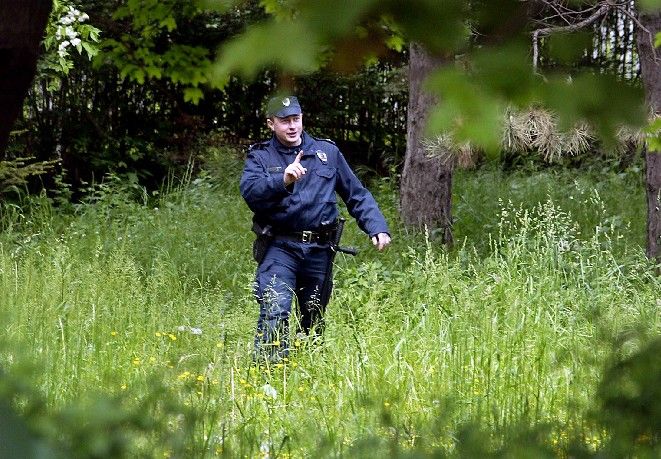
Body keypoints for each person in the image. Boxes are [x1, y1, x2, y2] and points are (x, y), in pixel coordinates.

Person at [240, 95, 391, 362]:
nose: (291, 126)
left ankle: (308, 374)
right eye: (284, 121)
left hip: (320, 249)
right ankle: (269, 378)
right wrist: (282, 179)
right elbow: (251, 192)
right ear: (270, 124)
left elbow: (356, 194)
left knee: (313, 317)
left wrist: (376, 227)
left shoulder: (327, 153)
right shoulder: (261, 155)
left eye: (295, 119)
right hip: (280, 246)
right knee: (275, 308)